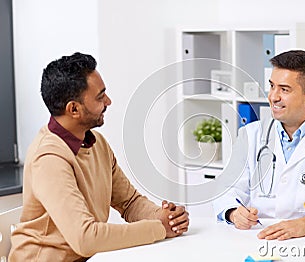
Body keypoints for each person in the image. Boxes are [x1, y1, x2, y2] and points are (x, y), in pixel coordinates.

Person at [9, 52, 189, 261]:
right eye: (100, 97)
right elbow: (85, 238)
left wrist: (166, 218)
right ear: (73, 109)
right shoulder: (49, 158)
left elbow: (129, 202)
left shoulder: (96, 143)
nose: (108, 101)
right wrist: (159, 229)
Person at [213, 50, 305, 240]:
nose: (273, 97)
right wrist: (233, 212)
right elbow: (225, 191)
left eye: (284, 89)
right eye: (272, 86)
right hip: (256, 239)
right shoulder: (251, 135)